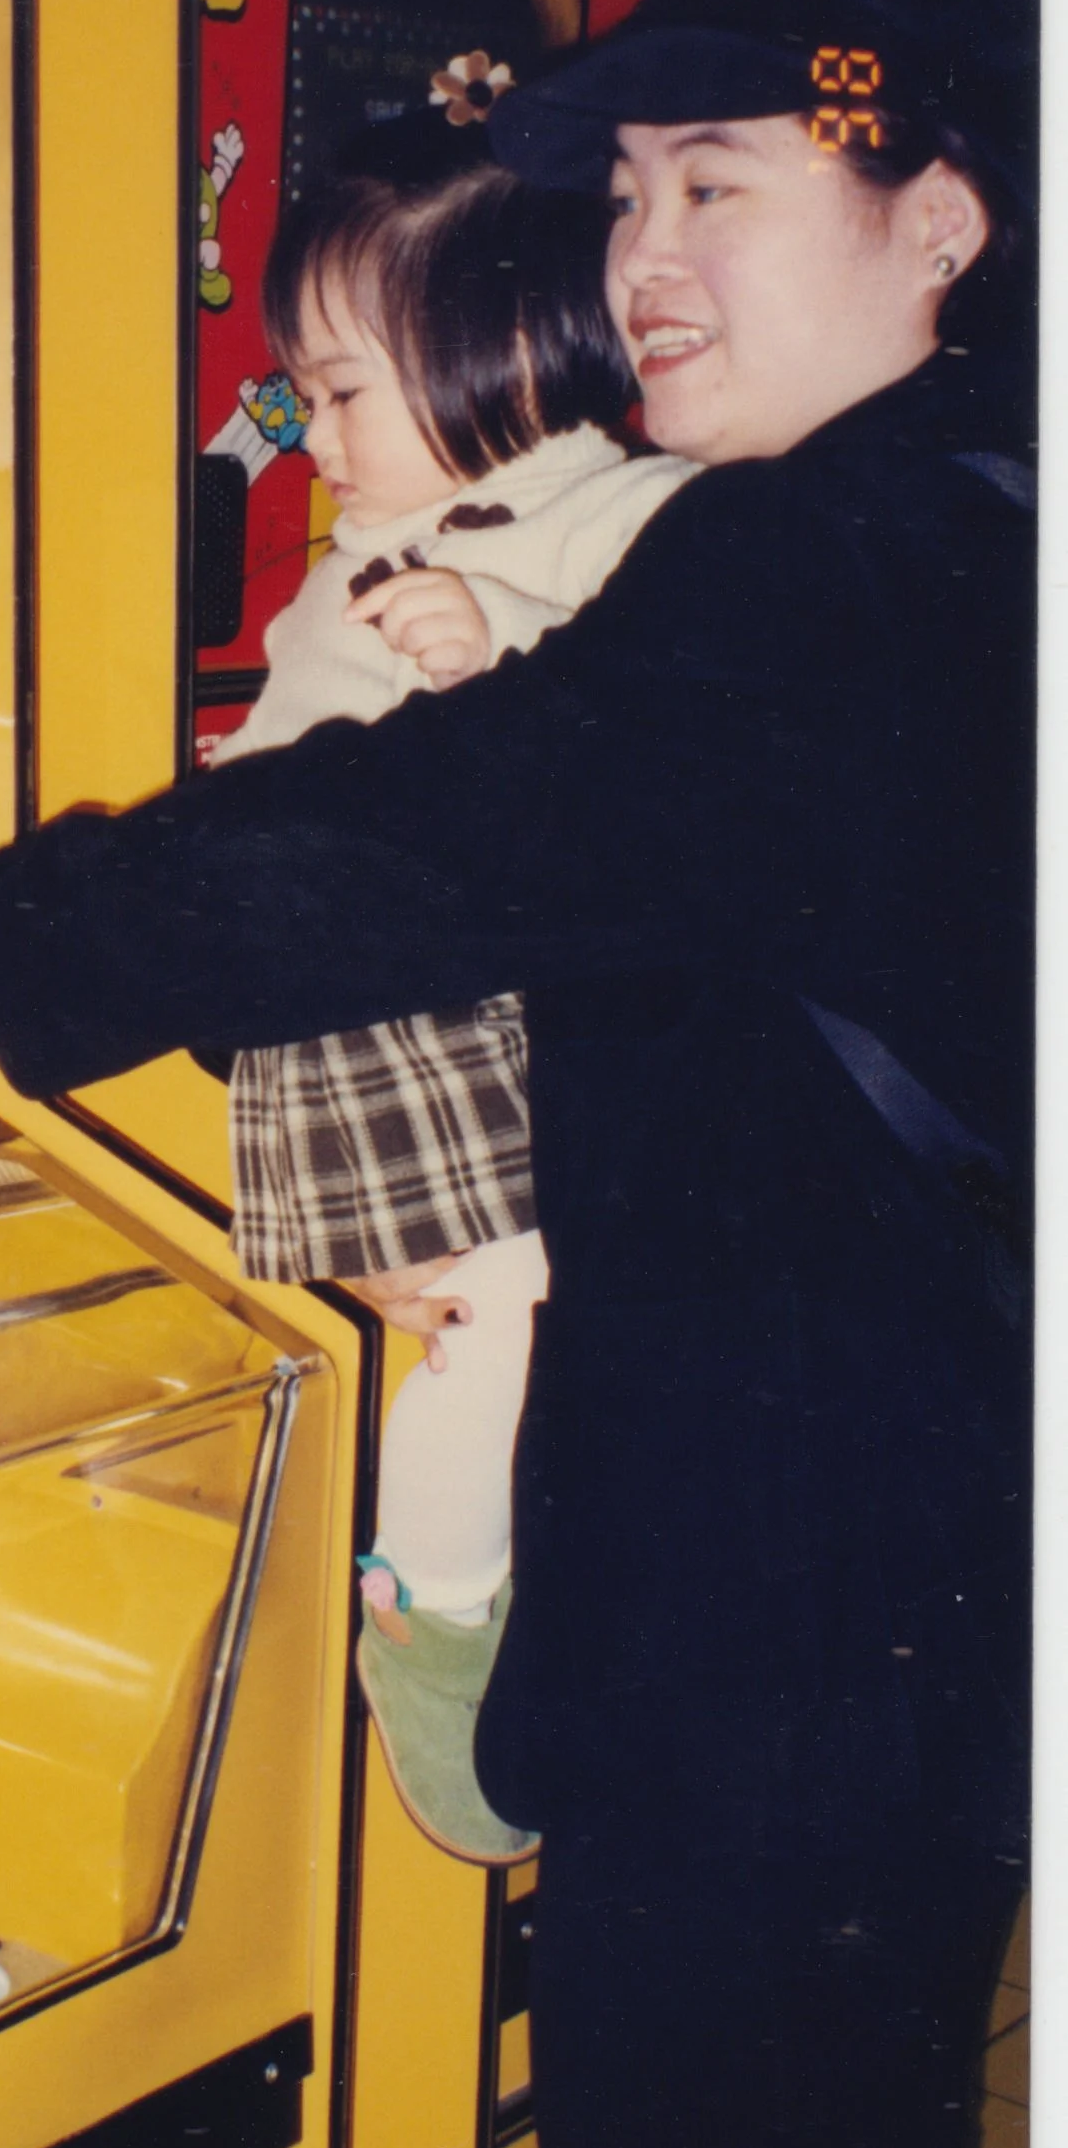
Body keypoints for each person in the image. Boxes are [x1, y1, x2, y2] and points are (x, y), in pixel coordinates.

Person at [0, 0, 1034, 2148]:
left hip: (789, 1616)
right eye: (634, 190)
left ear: (943, 216)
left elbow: (463, 823)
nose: (643, 255)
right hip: (884, 1578)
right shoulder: (934, 513)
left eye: (726, 184)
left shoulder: (855, 549)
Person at [218, 128, 697, 1869]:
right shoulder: (354, 558)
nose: (311, 435)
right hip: (362, 1022)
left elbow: (643, 749)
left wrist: (494, 656)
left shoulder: (634, 513)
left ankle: (476, 1603)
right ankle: (437, 1619)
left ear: (498, 357)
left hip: (492, 1019)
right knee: (488, 1316)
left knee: (520, 1322)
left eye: (340, 392)